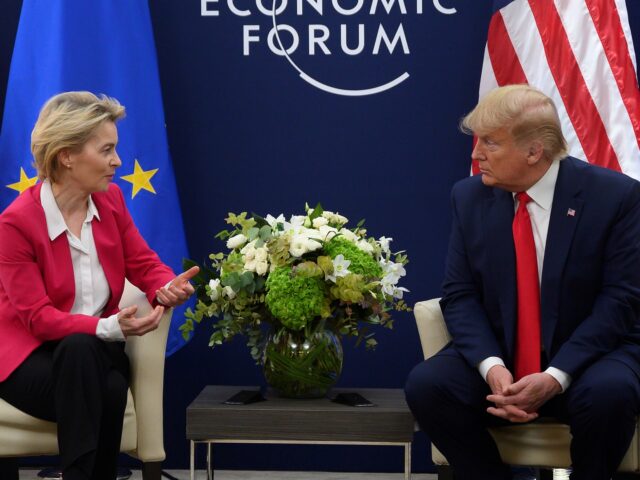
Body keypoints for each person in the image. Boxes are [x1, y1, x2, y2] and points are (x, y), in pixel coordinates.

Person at [405, 84, 640, 480]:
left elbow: (621, 300)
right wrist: (493, 368)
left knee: (610, 394)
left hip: (588, 358)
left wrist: (555, 376)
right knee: (428, 386)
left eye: (490, 144)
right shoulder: (469, 197)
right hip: (505, 357)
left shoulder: (614, 197)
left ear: (534, 152)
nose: (476, 155)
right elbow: (459, 296)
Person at [0, 91, 198, 480]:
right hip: (29, 360)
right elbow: (38, 319)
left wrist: (164, 287)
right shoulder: (16, 224)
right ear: (66, 156)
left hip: (94, 351)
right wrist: (109, 327)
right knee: (104, 385)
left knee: (85, 353)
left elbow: (142, 263)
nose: (117, 161)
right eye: (106, 150)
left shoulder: (111, 203)